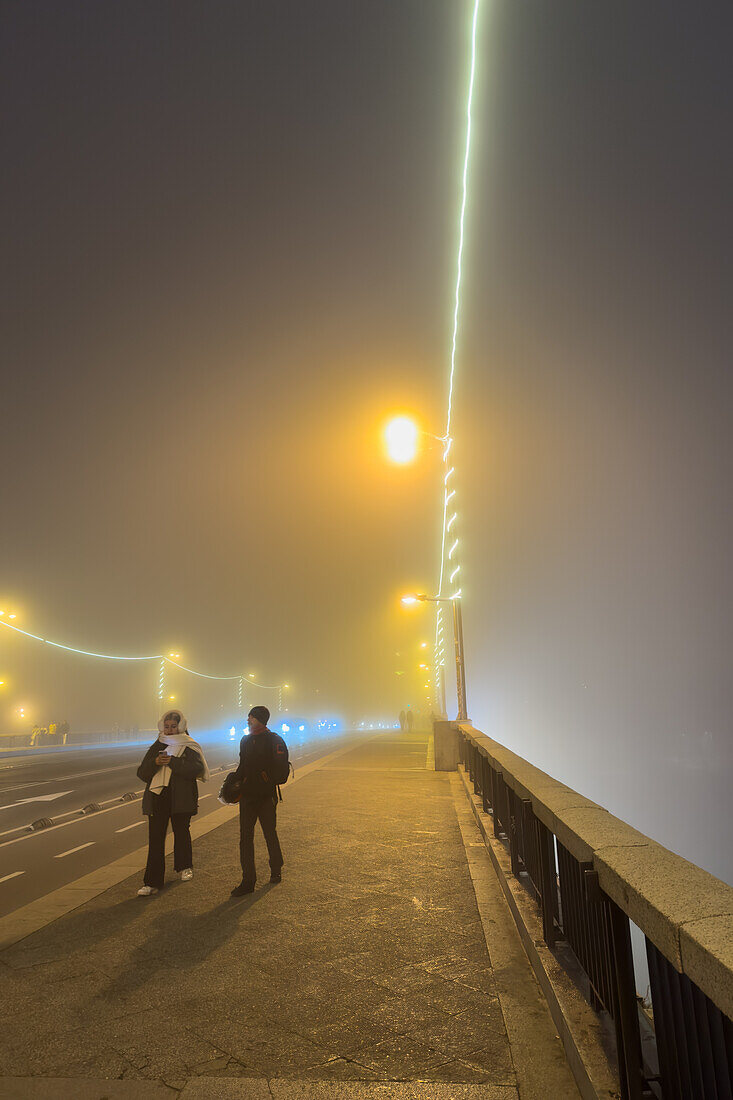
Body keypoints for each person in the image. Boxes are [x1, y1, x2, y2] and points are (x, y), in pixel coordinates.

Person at [136, 710, 211, 897]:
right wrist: (155, 762)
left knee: (182, 833)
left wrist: (172, 762)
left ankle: (184, 867)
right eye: (167, 726)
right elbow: (142, 773)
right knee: (155, 839)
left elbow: (196, 769)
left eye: (173, 726)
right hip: (158, 797)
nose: (170, 730)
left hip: (181, 798)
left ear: (182, 726)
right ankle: (152, 882)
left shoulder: (189, 745)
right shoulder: (158, 745)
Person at [231, 705, 287, 897]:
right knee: (245, 838)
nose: (248, 720)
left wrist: (266, 780)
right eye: (248, 717)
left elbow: (281, 772)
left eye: (251, 717)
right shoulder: (245, 740)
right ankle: (248, 881)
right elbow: (242, 766)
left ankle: (276, 868)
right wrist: (233, 782)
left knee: (269, 833)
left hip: (265, 796)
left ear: (261, 720)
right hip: (247, 796)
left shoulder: (274, 740)